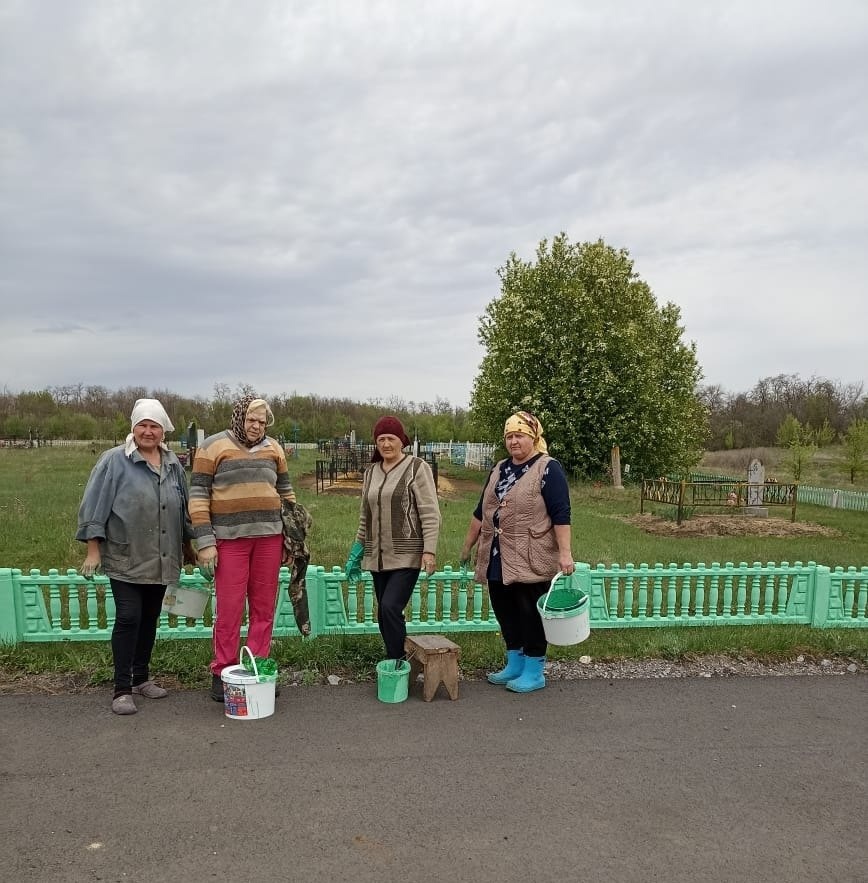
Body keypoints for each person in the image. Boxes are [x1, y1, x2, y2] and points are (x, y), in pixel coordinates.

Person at [76, 398, 194, 715]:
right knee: (129, 617)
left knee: (150, 617)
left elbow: (183, 508)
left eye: (154, 425)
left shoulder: (172, 464)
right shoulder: (114, 461)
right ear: (133, 428)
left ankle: (141, 678)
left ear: (163, 430)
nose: (148, 431)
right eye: (142, 425)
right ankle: (121, 689)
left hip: (162, 557)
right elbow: (94, 504)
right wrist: (92, 548)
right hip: (125, 556)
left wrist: (189, 547)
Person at [189, 395, 296, 702]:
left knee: (264, 609)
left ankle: (258, 667)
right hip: (229, 540)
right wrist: (205, 542)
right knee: (229, 610)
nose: (256, 426)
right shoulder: (212, 447)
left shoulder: (274, 449)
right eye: (252, 420)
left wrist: (290, 538)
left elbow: (286, 494)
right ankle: (222, 671)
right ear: (239, 417)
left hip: (269, 539)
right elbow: (197, 495)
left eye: (262, 422)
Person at [459, 411, 574, 693]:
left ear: (533, 437)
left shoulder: (548, 469)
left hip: (530, 554)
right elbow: (481, 511)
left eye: (519, 435)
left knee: (529, 611)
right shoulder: (499, 468)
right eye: (509, 436)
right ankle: (515, 662)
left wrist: (565, 552)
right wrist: (467, 546)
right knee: (504, 608)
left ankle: (534, 670)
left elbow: (561, 513)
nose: (514, 441)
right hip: (497, 553)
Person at [345, 416, 440, 662]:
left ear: (402, 441)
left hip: (407, 553)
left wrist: (429, 550)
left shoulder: (417, 468)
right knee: (384, 614)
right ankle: (394, 658)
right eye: (381, 439)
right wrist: (358, 549)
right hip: (377, 556)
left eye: (391, 439)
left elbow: (430, 512)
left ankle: (397, 661)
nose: (386, 444)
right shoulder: (371, 472)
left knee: (390, 607)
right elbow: (365, 516)